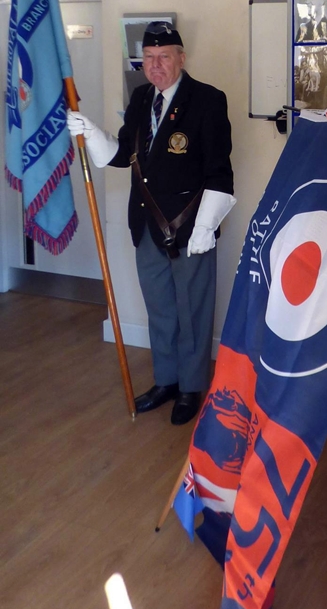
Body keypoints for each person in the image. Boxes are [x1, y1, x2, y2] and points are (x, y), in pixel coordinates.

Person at [67, 22, 235, 425]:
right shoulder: (142, 98)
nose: (155, 65)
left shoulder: (208, 100)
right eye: (149, 58)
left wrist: (206, 226)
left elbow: (219, 172)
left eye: (164, 57)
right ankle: (167, 381)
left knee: (193, 311)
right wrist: (91, 132)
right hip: (146, 226)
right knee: (160, 308)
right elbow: (125, 154)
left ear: (181, 57)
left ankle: (191, 388)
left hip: (190, 229)